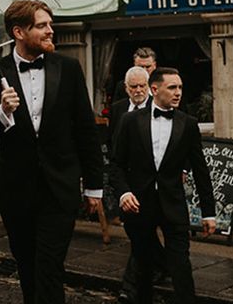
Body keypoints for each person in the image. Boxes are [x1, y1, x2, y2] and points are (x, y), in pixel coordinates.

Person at [0, 0, 103, 304]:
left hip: (60, 189)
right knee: (28, 269)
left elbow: (85, 129)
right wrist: (2, 113)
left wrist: (94, 186)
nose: (50, 31)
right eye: (41, 26)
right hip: (17, 192)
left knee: (49, 267)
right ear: (19, 31)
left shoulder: (68, 69)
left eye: (50, 24)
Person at [110, 67, 216, 303]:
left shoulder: (188, 123)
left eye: (180, 87)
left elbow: (200, 170)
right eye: (172, 87)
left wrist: (209, 212)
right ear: (154, 89)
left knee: (180, 265)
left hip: (173, 204)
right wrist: (124, 193)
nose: (178, 93)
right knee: (144, 268)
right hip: (139, 205)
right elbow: (116, 165)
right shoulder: (130, 121)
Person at [108, 65, 162, 304]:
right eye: (134, 87)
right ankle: (165, 264)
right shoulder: (119, 109)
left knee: (142, 232)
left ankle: (129, 288)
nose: (138, 90)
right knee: (136, 231)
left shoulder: (157, 108)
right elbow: (113, 144)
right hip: (125, 181)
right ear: (126, 88)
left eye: (142, 86)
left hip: (151, 181)